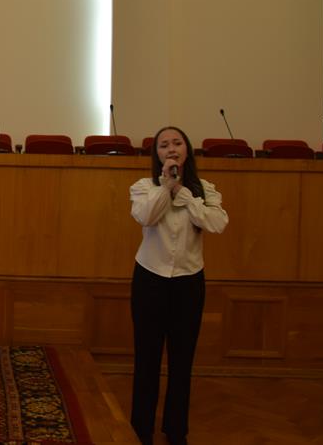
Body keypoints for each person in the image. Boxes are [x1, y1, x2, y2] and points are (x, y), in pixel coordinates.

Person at [128, 126, 228, 445]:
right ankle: (141, 429)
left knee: (182, 361)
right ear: (156, 155)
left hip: (188, 282)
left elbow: (217, 223)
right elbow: (146, 217)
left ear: (187, 150)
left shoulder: (205, 189)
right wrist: (166, 187)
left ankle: (176, 430)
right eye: (163, 145)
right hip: (150, 280)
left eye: (177, 143)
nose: (171, 149)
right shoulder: (144, 187)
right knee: (147, 359)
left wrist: (185, 196)